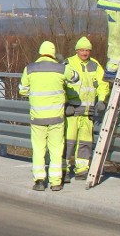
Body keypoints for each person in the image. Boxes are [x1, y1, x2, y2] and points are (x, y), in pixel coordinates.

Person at [19, 41, 80, 191]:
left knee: (39, 150)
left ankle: (39, 180)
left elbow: (22, 90)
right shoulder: (61, 69)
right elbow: (76, 78)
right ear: (54, 54)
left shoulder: (30, 69)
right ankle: (55, 182)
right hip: (56, 118)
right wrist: (65, 64)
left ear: (40, 52)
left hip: (37, 118)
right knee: (56, 150)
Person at [63, 37, 110, 181]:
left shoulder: (95, 65)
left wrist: (102, 100)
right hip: (72, 110)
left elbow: (103, 84)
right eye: (82, 50)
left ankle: (82, 170)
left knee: (85, 143)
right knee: (68, 142)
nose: (85, 53)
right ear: (77, 50)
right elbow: (61, 85)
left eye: (87, 50)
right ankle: (64, 169)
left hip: (88, 111)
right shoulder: (68, 63)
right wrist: (65, 104)